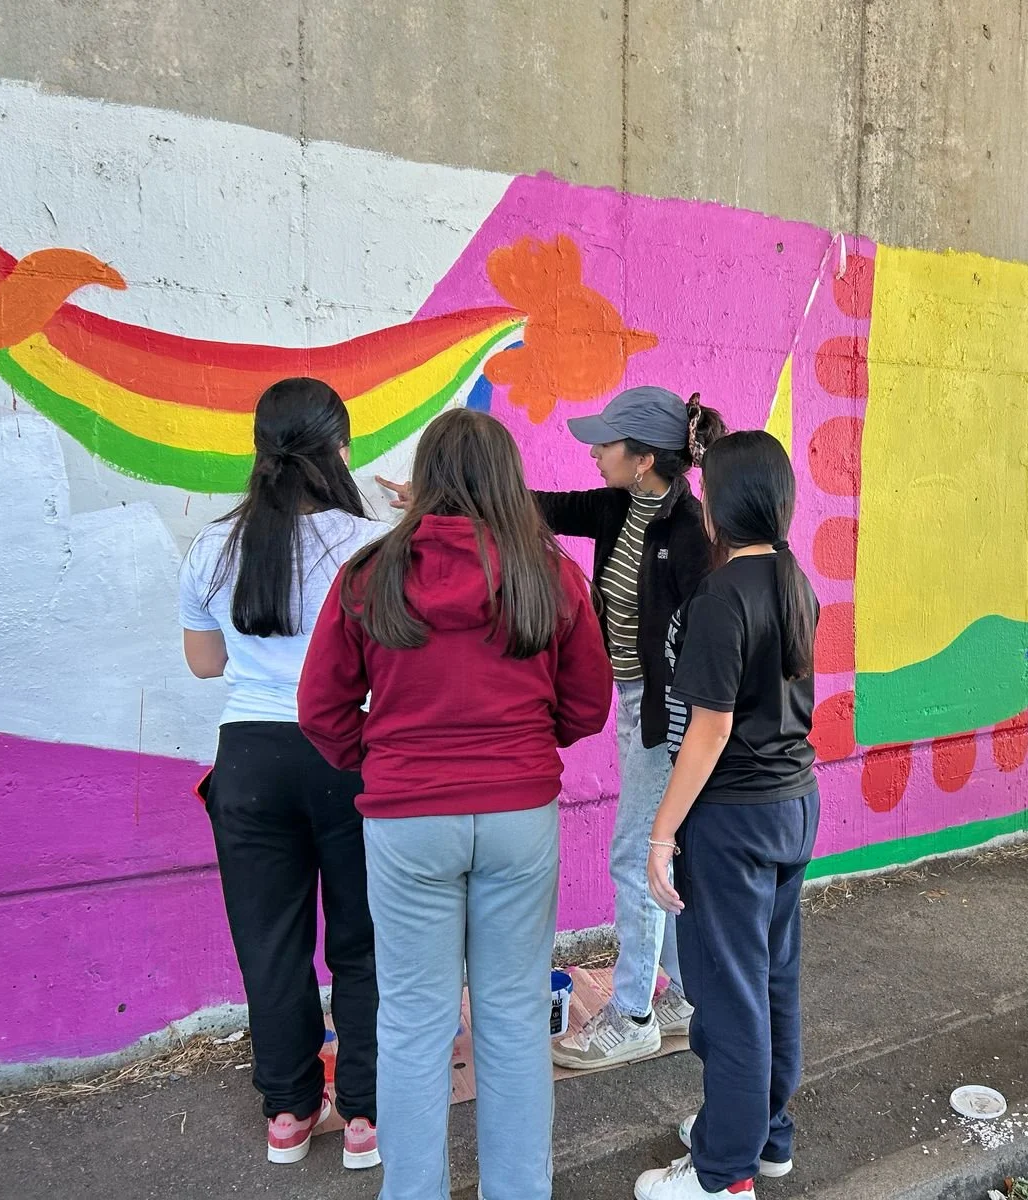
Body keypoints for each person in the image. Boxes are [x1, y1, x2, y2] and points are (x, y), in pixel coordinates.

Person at [300, 407, 612, 1200]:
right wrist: (524, 748)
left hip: (406, 823)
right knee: (510, 1022)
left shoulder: (371, 575)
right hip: (517, 816)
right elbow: (588, 705)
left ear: (428, 479)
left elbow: (322, 712)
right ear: (507, 481)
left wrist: (381, 759)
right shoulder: (550, 574)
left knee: (412, 1025)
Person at [375, 385, 725, 1072]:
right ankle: (682, 995)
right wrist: (433, 492)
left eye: (606, 443)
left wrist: (682, 717)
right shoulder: (618, 506)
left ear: (646, 457)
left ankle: (633, 1015)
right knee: (663, 851)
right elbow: (535, 507)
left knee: (637, 854)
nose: (593, 453)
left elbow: (710, 632)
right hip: (635, 704)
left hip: (666, 712)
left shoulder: (687, 532)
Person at [177, 377, 386, 1169]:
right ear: (340, 447)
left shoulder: (213, 546)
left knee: (270, 943)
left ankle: (290, 1114)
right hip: (348, 751)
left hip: (250, 759)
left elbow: (205, 665)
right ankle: (364, 1115)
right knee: (363, 943)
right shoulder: (372, 543)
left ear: (260, 448)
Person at [638, 431, 821, 1200]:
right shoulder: (792, 578)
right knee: (771, 980)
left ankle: (724, 1175)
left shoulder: (719, 597)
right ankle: (761, 1136)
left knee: (732, 995)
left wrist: (661, 833)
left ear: (719, 505)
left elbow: (709, 730)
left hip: (734, 823)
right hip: (792, 805)